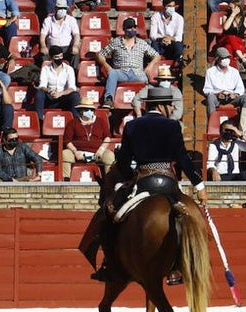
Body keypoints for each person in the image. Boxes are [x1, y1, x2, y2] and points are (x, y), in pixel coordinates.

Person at [82, 84, 207, 283]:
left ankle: (109, 263)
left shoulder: (132, 125)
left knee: (111, 212)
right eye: (170, 106)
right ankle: (177, 267)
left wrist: (131, 175)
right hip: (169, 183)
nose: (172, 110)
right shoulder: (173, 125)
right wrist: (199, 186)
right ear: (163, 106)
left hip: (143, 182)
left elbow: (123, 161)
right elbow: (183, 159)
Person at [95, 17, 159, 108]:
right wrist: (107, 66)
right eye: (130, 27)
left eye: (134, 27)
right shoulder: (116, 42)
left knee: (145, 79)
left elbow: (157, 55)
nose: (133, 29)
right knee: (112, 73)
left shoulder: (142, 43)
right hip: (121, 72)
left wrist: (150, 66)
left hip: (137, 73)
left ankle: (147, 104)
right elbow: (100, 55)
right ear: (124, 29)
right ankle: (108, 99)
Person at [35, 47, 80, 121]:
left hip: (63, 97)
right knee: (39, 94)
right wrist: (49, 90)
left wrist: (61, 93)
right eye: (56, 57)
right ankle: (39, 120)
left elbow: (72, 87)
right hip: (50, 97)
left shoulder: (69, 69)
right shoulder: (46, 69)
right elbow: (42, 85)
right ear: (51, 58)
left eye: (61, 56)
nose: (59, 58)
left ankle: (76, 120)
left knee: (75, 95)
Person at [202, 47, 246, 116]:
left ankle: (244, 122)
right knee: (210, 97)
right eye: (223, 58)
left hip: (231, 97)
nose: (226, 60)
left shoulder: (234, 71)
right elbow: (207, 89)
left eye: (227, 57)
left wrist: (235, 94)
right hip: (218, 98)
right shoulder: (210, 72)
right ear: (218, 59)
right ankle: (212, 121)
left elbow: (240, 88)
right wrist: (217, 94)